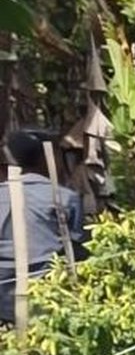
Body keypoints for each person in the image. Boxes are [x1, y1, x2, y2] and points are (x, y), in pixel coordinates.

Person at [0, 129, 90, 325]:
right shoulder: (63, 198)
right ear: (45, 159)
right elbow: (80, 248)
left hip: (3, 298)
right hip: (48, 297)